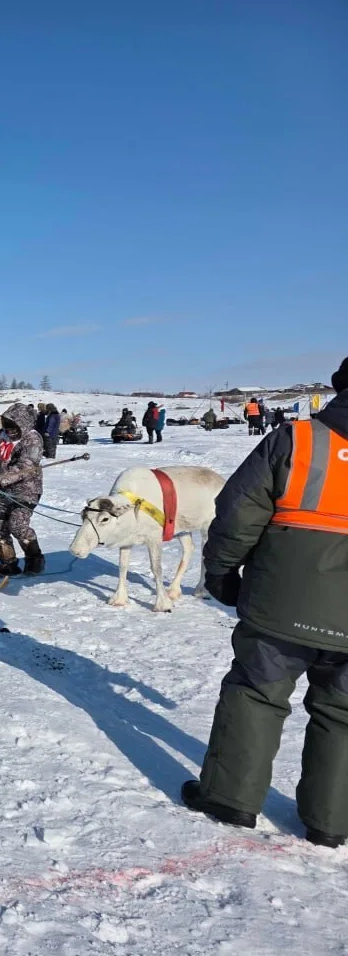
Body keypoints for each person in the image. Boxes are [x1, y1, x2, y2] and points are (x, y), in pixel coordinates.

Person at [183, 357, 348, 848]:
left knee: (256, 693)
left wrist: (219, 571)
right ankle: (331, 820)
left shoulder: (297, 439)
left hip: (282, 602)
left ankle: (230, 797)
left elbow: (238, 512)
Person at [0, 403, 46, 577]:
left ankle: (35, 559)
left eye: (13, 426)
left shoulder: (32, 439)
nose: (9, 430)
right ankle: (8, 563)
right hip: (5, 489)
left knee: (18, 526)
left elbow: (25, 466)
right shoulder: (3, 435)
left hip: (27, 490)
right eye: (7, 425)